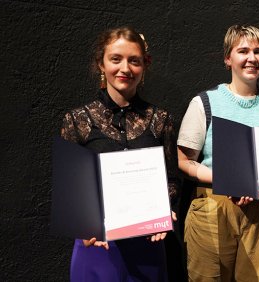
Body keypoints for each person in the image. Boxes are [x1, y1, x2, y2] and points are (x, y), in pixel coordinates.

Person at [60, 26, 179, 281]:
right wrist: (80, 223)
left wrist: (166, 210)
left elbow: (171, 180)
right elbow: (69, 190)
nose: (125, 68)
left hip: (147, 244)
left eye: (134, 61)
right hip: (96, 246)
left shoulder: (161, 120)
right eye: (116, 59)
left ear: (144, 66)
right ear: (101, 64)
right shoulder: (76, 120)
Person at [177, 24, 259, 281]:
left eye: (258, 51)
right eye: (243, 51)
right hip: (213, 207)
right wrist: (225, 180)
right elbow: (184, 161)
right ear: (228, 58)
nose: (252, 58)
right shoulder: (204, 102)